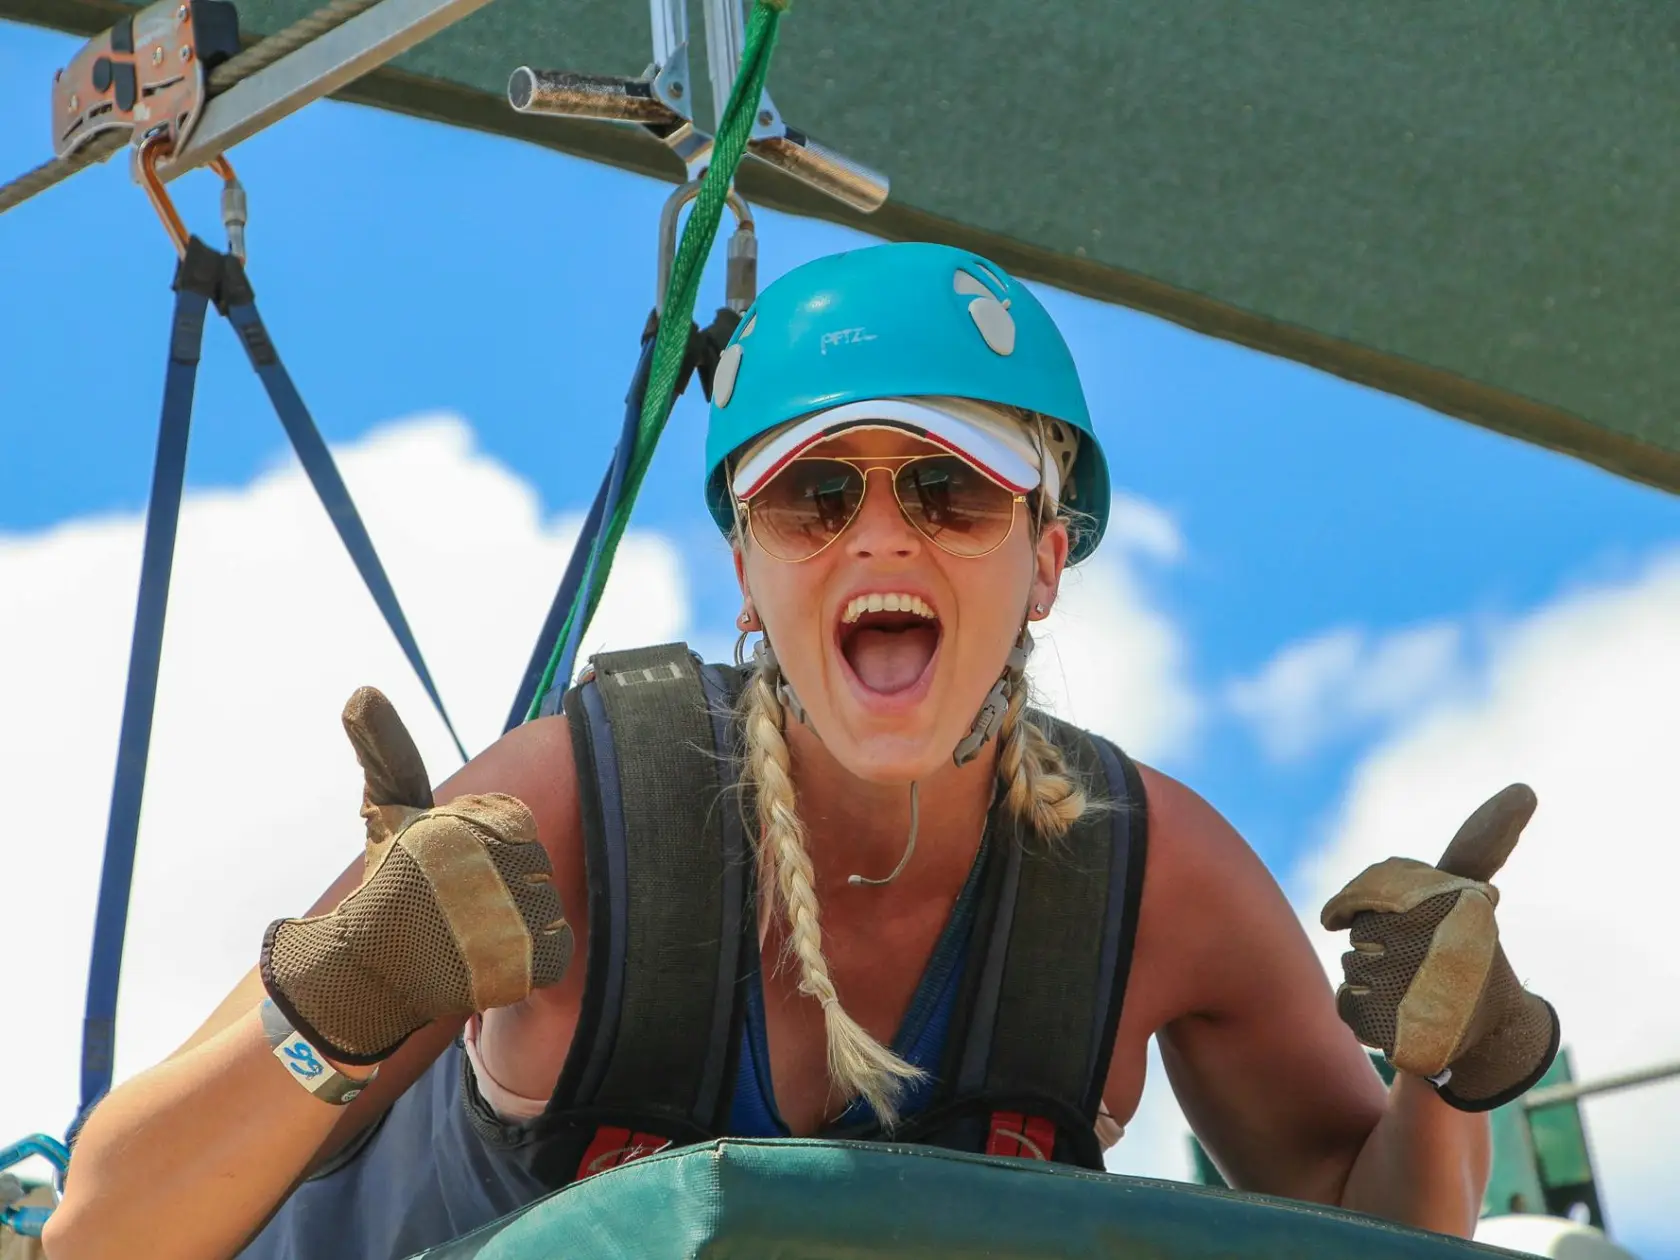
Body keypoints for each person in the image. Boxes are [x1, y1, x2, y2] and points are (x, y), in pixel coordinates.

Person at [44, 242, 1560, 1260]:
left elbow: (1378, 1237)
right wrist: (344, 1002)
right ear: (748, 567)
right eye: (814, 497)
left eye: (950, 495)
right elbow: (102, 1235)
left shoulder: (1150, 883)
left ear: (1045, 558)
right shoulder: (571, 811)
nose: (880, 534)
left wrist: (1460, 1077)